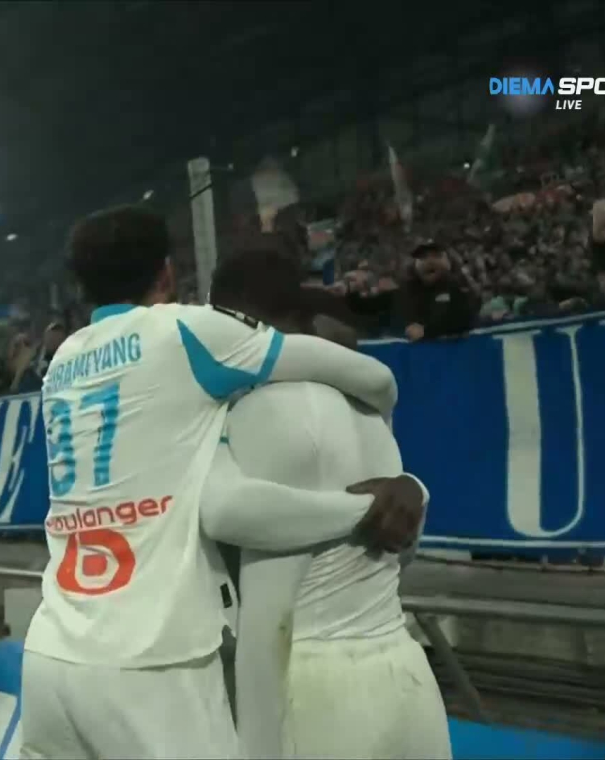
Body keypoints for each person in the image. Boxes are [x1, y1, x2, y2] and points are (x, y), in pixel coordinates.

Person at [19, 207, 416, 759]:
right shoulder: (187, 331)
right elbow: (371, 376)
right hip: (149, 663)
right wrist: (379, 479)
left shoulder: (61, 359)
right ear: (167, 274)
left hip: (50, 655)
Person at [202, 248, 450, 759]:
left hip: (319, 692)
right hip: (406, 676)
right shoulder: (370, 410)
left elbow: (269, 622)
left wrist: (258, 750)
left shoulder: (263, 411)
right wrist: (413, 489)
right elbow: (402, 545)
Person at [396, 241, 478, 341]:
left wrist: (426, 331)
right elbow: (399, 320)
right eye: (423, 257)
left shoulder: (458, 285)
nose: (429, 261)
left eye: (436, 256)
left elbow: (467, 320)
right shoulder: (407, 289)